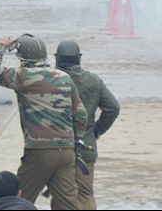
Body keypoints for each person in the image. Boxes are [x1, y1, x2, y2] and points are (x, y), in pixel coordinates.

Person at [0, 35, 87, 210]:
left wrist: (1, 46)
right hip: (67, 152)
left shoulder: (23, 76)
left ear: (22, 58)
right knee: (68, 205)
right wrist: (77, 141)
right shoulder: (64, 77)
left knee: (15, 200)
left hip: (39, 151)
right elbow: (81, 115)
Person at [55, 41, 120, 210]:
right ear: (79, 58)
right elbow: (112, 108)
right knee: (85, 193)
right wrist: (97, 130)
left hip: (55, 146)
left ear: (57, 59)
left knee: (60, 194)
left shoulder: (51, 79)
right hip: (86, 145)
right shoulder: (93, 80)